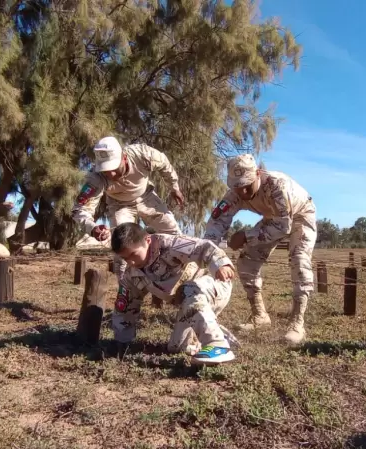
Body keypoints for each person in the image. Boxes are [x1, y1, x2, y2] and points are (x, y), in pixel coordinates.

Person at [203, 154, 317, 346]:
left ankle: (297, 323)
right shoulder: (234, 194)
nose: (244, 191)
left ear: (258, 173)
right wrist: (206, 253)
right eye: (238, 186)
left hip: (300, 215)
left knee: (299, 259)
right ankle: (259, 316)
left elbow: (283, 226)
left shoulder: (276, 185)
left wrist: (247, 236)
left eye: (248, 184)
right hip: (272, 218)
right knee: (246, 260)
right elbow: (215, 224)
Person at [110, 222, 240, 366]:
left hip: (214, 285)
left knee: (187, 289)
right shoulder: (132, 275)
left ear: (147, 240)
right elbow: (125, 309)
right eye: (125, 258)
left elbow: (203, 247)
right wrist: (122, 341)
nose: (131, 262)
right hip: (189, 304)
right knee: (178, 348)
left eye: (133, 254)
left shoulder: (169, 244)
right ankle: (216, 331)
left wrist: (222, 264)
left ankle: (218, 344)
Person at [73, 136, 186, 278]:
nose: (111, 174)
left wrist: (174, 188)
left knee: (174, 234)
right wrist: (92, 228)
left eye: (113, 168)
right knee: (122, 249)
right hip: (119, 206)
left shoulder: (142, 154)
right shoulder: (95, 178)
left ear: (124, 158)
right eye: (105, 170)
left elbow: (164, 165)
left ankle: (182, 275)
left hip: (147, 198)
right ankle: (125, 291)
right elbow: (79, 209)